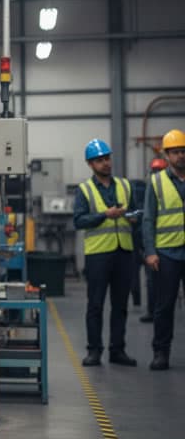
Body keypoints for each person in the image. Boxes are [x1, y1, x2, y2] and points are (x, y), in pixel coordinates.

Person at [72, 139, 139, 367]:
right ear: (90, 164)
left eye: (107, 158)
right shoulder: (85, 190)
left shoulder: (125, 186)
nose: (106, 163)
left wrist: (132, 216)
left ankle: (117, 350)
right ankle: (94, 351)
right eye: (100, 160)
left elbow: (137, 212)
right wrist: (104, 215)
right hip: (98, 254)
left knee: (120, 304)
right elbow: (79, 221)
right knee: (96, 305)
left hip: (124, 252)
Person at [143, 129, 185, 371]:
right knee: (164, 305)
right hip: (167, 253)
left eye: (183, 151)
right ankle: (161, 352)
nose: (181, 156)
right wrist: (150, 251)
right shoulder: (156, 182)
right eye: (176, 152)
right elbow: (149, 219)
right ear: (167, 155)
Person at [135, 157, 167, 323]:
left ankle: (157, 312)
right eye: (155, 171)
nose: (157, 174)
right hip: (152, 244)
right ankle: (152, 312)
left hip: (170, 244)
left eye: (159, 171)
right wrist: (148, 248)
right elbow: (146, 219)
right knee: (151, 281)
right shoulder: (145, 189)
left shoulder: (173, 187)